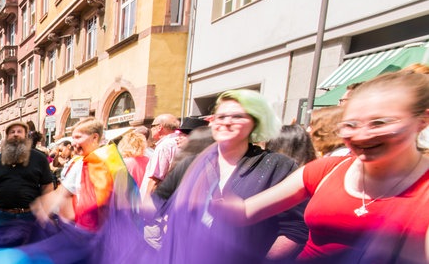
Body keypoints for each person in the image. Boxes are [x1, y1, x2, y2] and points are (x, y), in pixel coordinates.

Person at [218, 71, 429, 263]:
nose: (362, 135)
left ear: (423, 120)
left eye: (380, 123)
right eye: (350, 125)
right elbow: (243, 212)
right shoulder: (327, 169)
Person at [158, 89, 306, 263]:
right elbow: (156, 204)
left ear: (255, 122)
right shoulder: (191, 164)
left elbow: (295, 229)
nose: (227, 122)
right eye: (220, 117)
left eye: (237, 116)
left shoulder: (278, 166)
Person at [32, 119, 108, 231]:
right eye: (73, 138)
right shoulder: (81, 163)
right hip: (87, 229)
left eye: (78, 137)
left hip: (101, 232)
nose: (72, 143)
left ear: (95, 137)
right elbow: (63, 192)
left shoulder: (110, 162)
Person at [0, 121, 54, 226]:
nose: (15, 134)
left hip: (30, 216)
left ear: (26, 136)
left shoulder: (39, 159)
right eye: (12, 132)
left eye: (19, 131)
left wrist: (46, 209)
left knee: (29, 243)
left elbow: (47, 185)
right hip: (1, 216)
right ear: (7, 137)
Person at [140, 114, 183, 196]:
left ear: (160, 127)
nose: (150, 129)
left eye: (152, 126)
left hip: (158, 200)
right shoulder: (180, 143)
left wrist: (146, 202)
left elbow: (155, 179)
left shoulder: (165, 145)